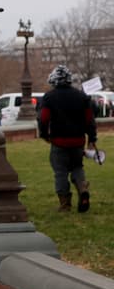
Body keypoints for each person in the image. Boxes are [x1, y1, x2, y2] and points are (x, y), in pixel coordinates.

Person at [38, 64, 98, 213]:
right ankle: (82, 188)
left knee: (60, 172)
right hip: (78, 141)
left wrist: (45, 135)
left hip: (58, 142)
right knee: (77, 167)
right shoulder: (82, 97)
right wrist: (92, 138)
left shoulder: (49, 97)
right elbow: (90, 119)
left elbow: (43, 118)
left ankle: (65, 204)